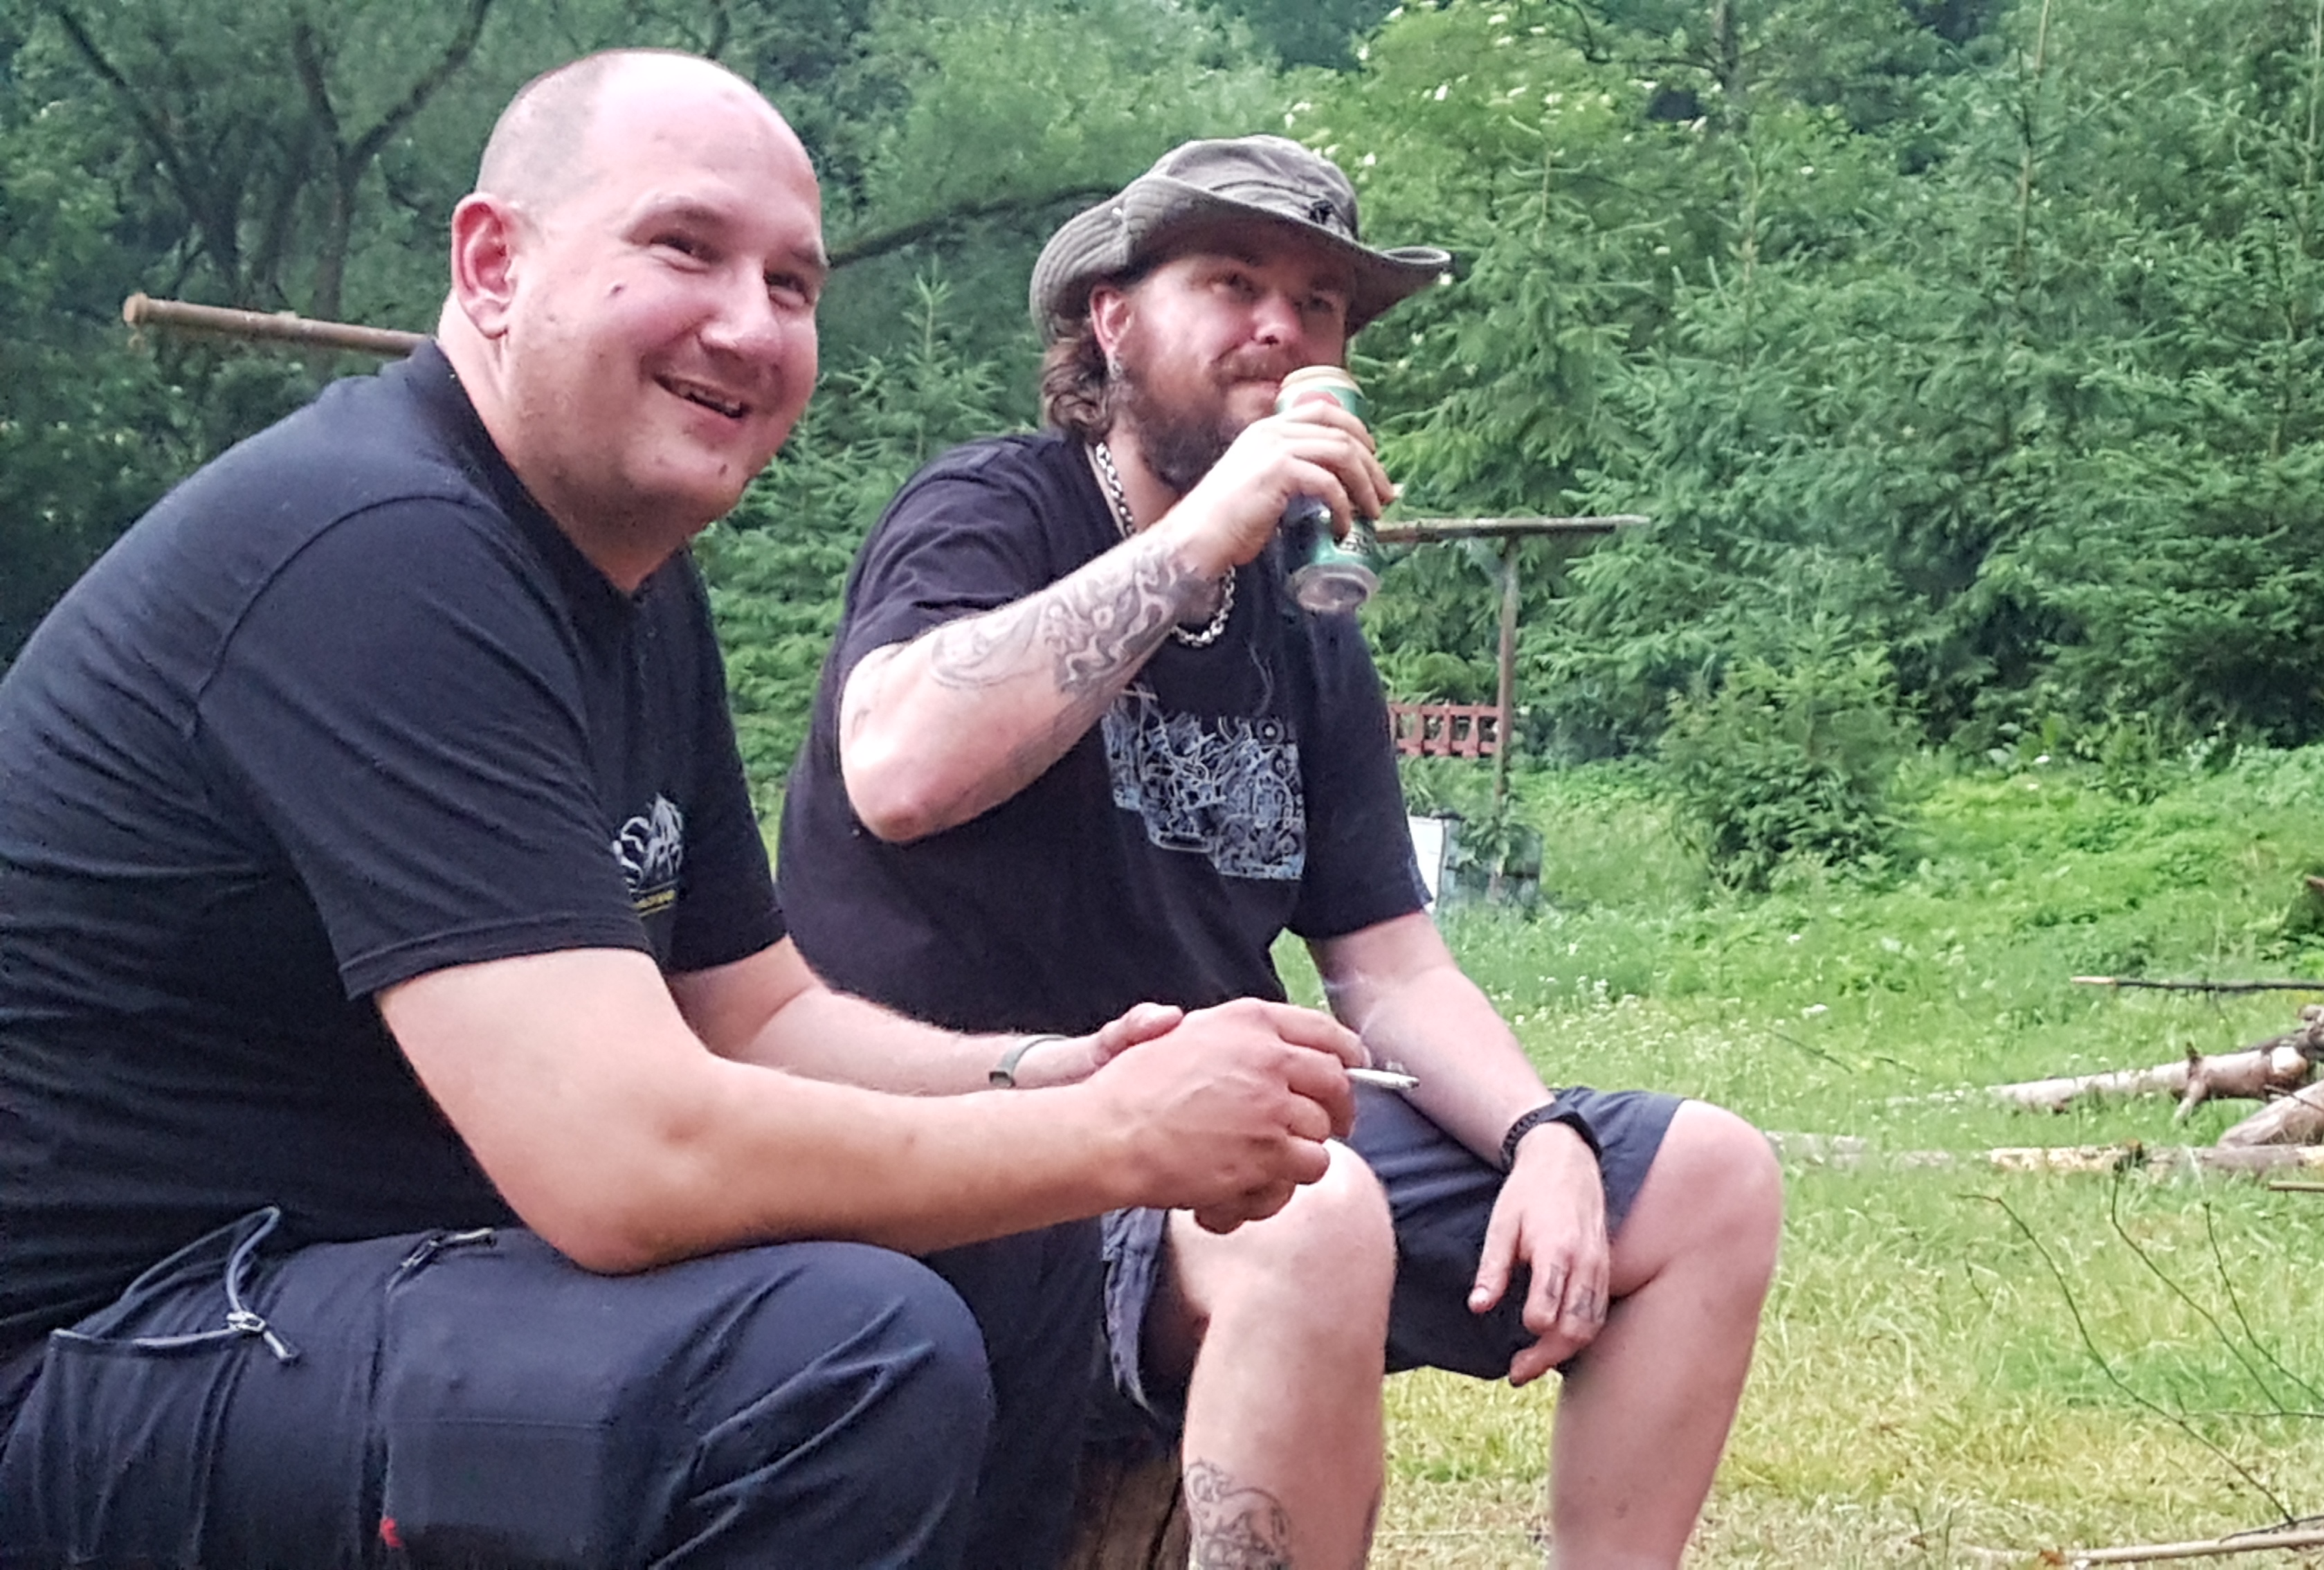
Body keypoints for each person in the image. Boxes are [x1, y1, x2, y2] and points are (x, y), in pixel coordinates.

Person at [0, 55, 1371, 1570]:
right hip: (107, 1344)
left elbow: (753, 1016)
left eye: (792, 285)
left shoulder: (630, 590)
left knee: (1006, 1248)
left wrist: (1043, 1073)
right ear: (493, 265)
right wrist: (1114, 1137)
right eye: (684, 248)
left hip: (346, 1281)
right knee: (833, 1359)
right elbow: (623, 1162)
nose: (749, 325)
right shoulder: (376, 550)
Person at [779, 135, 1786, 1568]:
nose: (1282, 327)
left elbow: (1388, 965)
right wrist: (1202, 534)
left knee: (1706, 1181)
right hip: (969, 1146)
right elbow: (896, 772)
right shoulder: (994, 511)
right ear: (1111, 320)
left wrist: (1540, 1134)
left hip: (1223, 1140)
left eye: (1318, 304)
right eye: (1232, 283)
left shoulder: (1303, 623)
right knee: (1314, 1216)